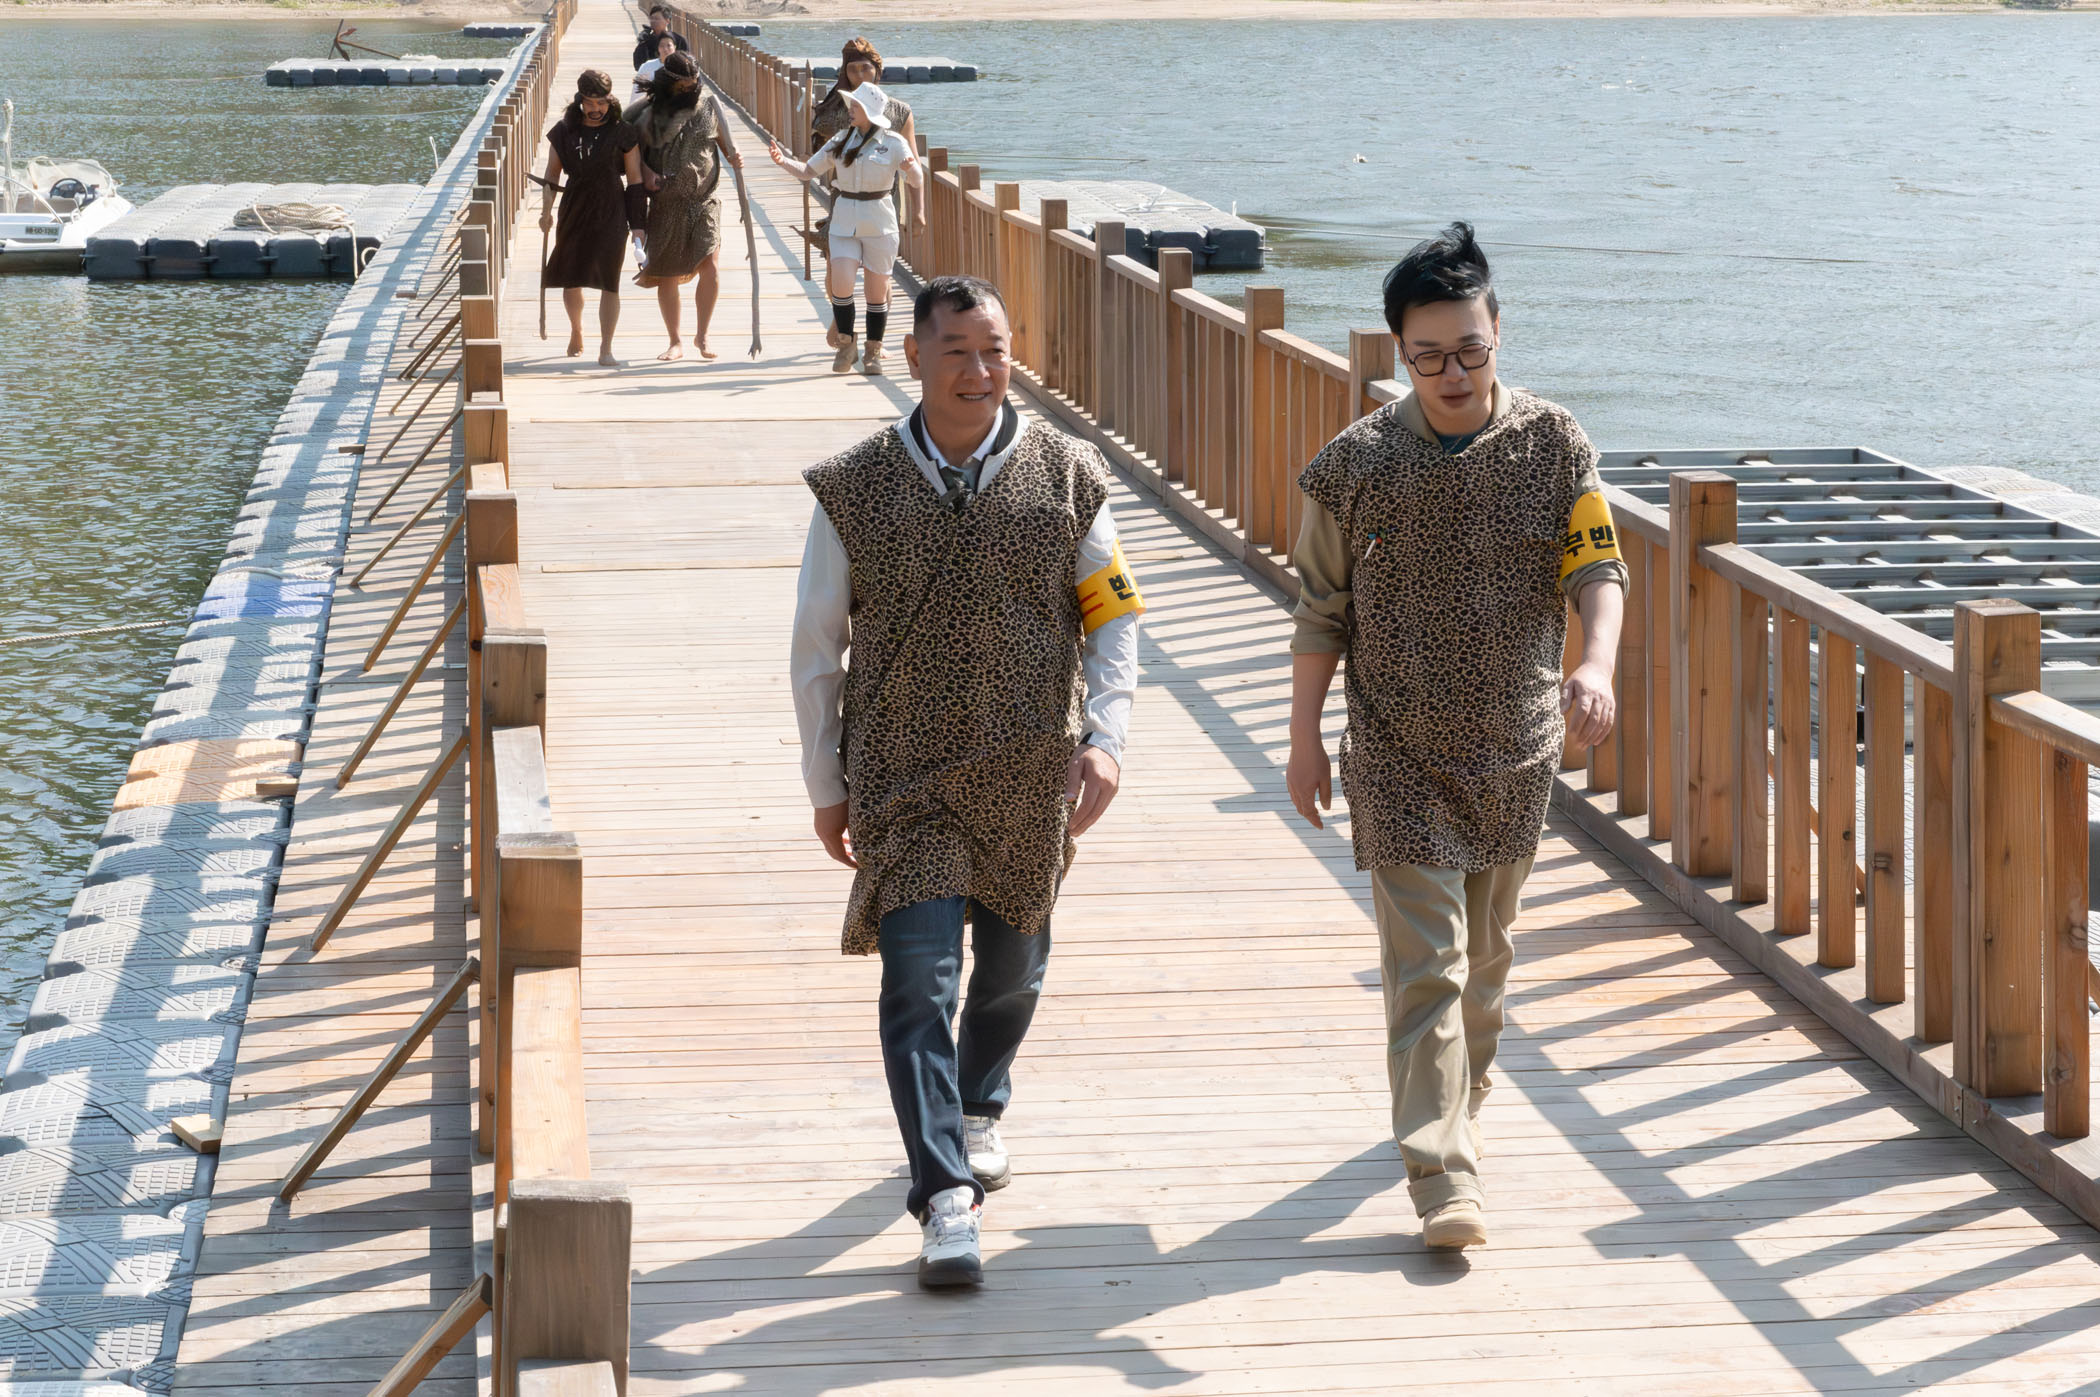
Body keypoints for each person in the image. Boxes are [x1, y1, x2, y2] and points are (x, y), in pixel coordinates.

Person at [789, 275, 1144, 1288]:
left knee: (1012, 969)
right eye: (958, 352)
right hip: (903, 777)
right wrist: (826, 780)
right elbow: (816, 644)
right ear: (916, 356)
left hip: (1031, 772)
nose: (981, 371)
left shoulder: (1069, 476)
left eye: (996, 350)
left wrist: (1106, 738)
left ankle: (981, 1098)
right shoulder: (854, 488)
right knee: (918, 980)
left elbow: (1114, 618)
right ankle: (946, 1195)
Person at [1284, 222, 1625, 1252]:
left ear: (1497, 332)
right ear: (1399, 353)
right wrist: (1304, 739)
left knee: (1486, 961)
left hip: (1517, 743)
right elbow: (1319, 611)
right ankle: (1442, 1175)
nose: (1452, 375)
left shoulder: (1556, 443)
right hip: (1395, 748)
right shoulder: (1354, 465)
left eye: (1469, 350)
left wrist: (1596, 665)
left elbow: (1597, 567)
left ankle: (1458, 1101)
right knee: (1427, 964)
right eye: (1428, 357)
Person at [766, 83, 920, 375]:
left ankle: (873, 350)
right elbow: (808, 171)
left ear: (870, 113)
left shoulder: (894, 143)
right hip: (844, 220)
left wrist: (911, 171)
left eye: (856, 106)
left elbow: (916, 178)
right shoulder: (840, 140)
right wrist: (782, 161)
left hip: (879, 221)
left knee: (876, 293)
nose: (850, 110)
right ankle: (846, 345)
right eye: (852, 104)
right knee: (842, 284)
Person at [624, 52, 743, 362]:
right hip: (666, 202)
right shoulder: (646, 113)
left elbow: (726, 146)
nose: (691, 89)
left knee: (710, 266)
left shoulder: (709, 106)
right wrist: (646, 172)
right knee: (667, 275)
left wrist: (735, 156)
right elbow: (627, 153)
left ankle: (703, 334)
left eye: (694, 84)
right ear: (669, 83)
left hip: (704, 200)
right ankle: (675, 341)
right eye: (684, 86)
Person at [807, 37, 922, 349]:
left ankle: (875, 341)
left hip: (884, 198)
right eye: (853, 69)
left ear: (878, 71)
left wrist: (918, 210)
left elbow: (913, 161)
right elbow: (816, 148)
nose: (860, 75)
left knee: (879, 273)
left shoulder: (898, 111)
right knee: (835, 263)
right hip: (845, 197)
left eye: (866, 68)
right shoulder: (837, 109)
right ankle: (841, 317)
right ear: (844, 72)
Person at [539, 70, 645, 367]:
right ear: (580, 101)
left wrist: (638, 224)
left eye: (601, 103)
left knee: (610, 280)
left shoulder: (623, 132)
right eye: (590, 103)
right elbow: (551, 176)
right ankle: (576, 329)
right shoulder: (564, 131)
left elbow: (635, 179)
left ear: (610, 101)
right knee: (572, 277)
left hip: (612, 208)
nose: (596, 109)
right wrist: (545, 211)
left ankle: (606, 347)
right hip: (574, 207)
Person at [630, 6, 689, 70]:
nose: (653, 21)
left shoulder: (680, 40)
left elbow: (686, 62)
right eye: (651, 18)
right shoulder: (646, 40)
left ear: (667, 21)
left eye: (657, 19)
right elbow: (638, 64)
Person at [631, 33, 676, 101]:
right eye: (662, 46)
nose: (665, 49)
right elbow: (637, 91)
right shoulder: (647, 66)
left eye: (669, 45)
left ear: (675, 47)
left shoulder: (681, 67)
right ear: (658, 48)